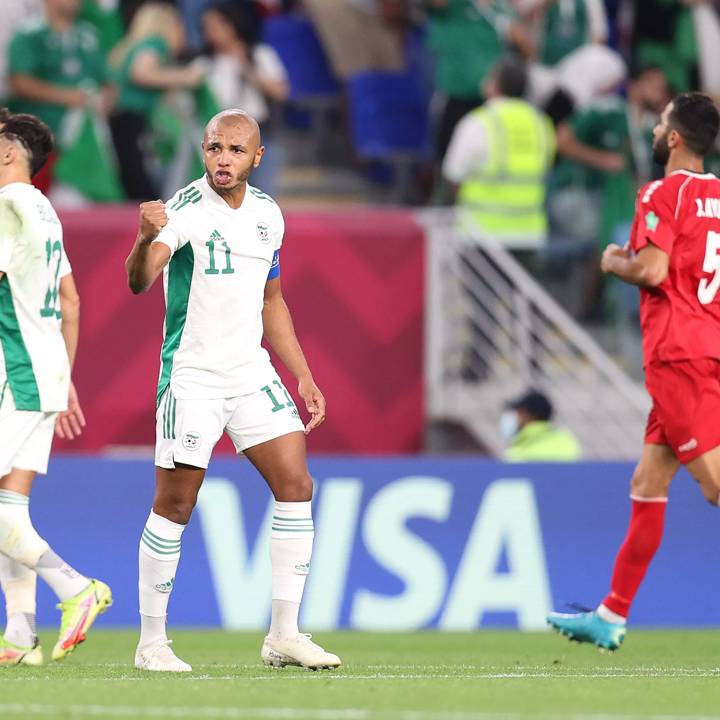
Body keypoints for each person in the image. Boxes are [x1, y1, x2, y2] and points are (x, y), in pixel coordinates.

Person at [125, 108, 341, 673]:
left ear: (257, 158)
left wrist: (303, 373)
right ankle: (151, 642)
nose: (223, 159)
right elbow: (141, 280)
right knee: (176, 503)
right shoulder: (184, 210)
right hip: (192, 375)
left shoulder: (270, 214)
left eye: (236, 151)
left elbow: (272, 300)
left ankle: (284, 634)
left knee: (297, 484)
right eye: (215, 148)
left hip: (250, 371)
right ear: (203, 150)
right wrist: (145, 237)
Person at [547, 92, 720, 650]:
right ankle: (611, 615)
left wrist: (611, 258)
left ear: (673, 137)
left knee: (716, 486)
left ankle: (612, 615)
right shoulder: (718, 196)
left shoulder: (660, 193)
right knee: (647, 485)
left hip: (676, 355)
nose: (653, 126)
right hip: (707, 347)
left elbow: (650, 270)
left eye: (661, 120)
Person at [0, 109, 112, 666]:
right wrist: (65, 378)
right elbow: (70, 300)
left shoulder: (5, 205)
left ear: (8, 154)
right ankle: (20, 635)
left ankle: (76, 589)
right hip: (41, 374)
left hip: (15, 372)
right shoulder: (46, 212)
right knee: (9, 508)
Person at [442, 56, 556, 251]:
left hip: (480, 234)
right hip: (529, 234)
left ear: (494, 86)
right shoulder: (541, 124)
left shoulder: (478, 122)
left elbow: (454, 175)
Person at [7, 0, 115, 200]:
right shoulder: (29, 34)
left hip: (86, 137)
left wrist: (104, 102)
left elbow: (109, 83)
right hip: (40, 138)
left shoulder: (89, 35)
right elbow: (19, 81)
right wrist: (67, 97)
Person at [109, 2, 204, 200]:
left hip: (120, 120)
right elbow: (141, 73)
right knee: (141, 186)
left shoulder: (131, 46)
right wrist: (185, 77)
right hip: (134, 121)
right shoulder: (154, 43)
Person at [202, 1, 289, 197]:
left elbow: (280, 92)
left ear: (231, 25)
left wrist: (246, 65)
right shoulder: (205, 62)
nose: (209, 33)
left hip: (259, 134)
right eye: (206, 28)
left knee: (261, 197)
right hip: (220, 140)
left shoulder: (259, 54)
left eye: (215, 27)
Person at [501, 390, 581, 462]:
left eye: (518, 413)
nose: (513, 418)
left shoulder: (519, 452)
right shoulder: (567, 441)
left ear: (527, 415)